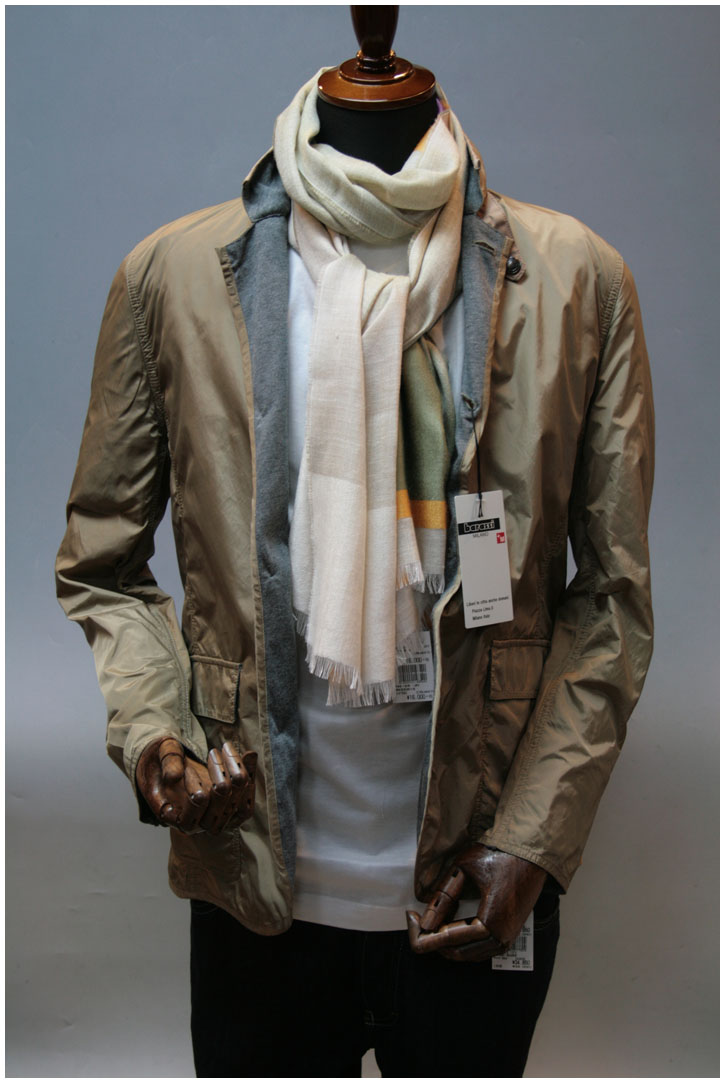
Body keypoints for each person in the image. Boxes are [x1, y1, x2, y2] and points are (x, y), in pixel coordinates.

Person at [56, 54, 654, 1078]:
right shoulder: (175, 276)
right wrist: (158, 735)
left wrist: (532, 840)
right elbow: (102, 564)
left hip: (475, 877)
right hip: (255, 881)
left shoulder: (576, 281)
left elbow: (610, 598)